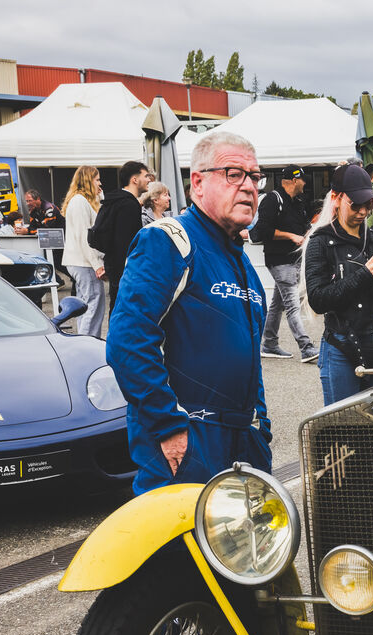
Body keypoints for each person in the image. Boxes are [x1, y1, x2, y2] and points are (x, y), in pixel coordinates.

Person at [106, 130, 272, 494]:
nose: (248, 187)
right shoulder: (168, 241)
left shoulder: (241, 261)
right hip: (188, 441)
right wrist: (168, 426)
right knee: (179, 534)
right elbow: (127, 342)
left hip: (243, 442)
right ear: (198, 183)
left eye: (255, 177)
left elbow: (250, 358)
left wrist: (261, 427)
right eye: (233, 174)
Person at [303, 163, 373, 406]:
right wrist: (365, 275)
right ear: (336, 198)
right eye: (356, 204)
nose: (363, 211)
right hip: (341, 346)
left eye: (369, 204)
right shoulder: (320, 242)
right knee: (343, 424)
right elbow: (318, 299)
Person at [253, 165, 319, 363]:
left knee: (277, 304)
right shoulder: (273, 199)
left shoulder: (297, 202)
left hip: (293, 260)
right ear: (294, 180)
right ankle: (306, 347)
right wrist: (291, 236)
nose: (305, 184)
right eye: (303, 180)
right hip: (279, 260)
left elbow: (303, 226)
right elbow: (263, 230)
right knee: (292, 305)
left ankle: (269, 344)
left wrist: (311, 231)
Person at [90, 160, 151, 311]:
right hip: (124, 268)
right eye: (146, 176)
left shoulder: (115, 200)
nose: (149, 179)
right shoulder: (128, 204)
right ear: (134, 180)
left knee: (116, 305)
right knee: (122, 308)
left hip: (114, 264)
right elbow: (126, 241)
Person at [62, 165, 108, 337]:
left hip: (80, 261)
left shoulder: (80, 201)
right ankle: (88, 342)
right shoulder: (80, 202)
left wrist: (100, 196)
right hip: (84, 262)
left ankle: (84, 340)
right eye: (97, 179)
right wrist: (97, 265)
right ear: (88, 180)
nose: (100, 183)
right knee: (94, 305)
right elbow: (84, 237)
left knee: (86, 305)